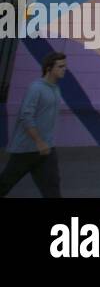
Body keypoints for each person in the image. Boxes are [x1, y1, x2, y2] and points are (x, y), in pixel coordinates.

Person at [0, 52, 67, 198]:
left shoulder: (55, 88)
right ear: (49, 68)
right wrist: (39, 141)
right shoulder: (36, 88)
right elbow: (26, 116)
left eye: (65, 66)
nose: (64, 69)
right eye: (60, 66)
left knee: (52, 188)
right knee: (5, 183)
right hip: (26, 149)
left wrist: (45, 143)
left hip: (46, 149)